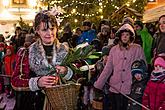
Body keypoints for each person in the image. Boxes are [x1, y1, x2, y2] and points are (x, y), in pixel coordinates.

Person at [11, 9, 73, 110]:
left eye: (52, 28)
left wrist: (66, 71)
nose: (49, 33)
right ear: (37, 31)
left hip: (61, 102)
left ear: (57, 29)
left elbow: (78, 75)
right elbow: (15, 80)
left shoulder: (66, 50)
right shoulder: (27, 52)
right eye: (44, 30)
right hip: (35, 103)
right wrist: (37, 82)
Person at [94, 23, 146, 110]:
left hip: (129, 88)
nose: (125, 37)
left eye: (127, 35)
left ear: (131, 36)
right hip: (115, 88)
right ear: (119, 36)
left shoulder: (137, 49)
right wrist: (99, 84)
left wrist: (139, 74)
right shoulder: (114, 50)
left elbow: (142, 66)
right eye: (123, 35)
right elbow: (108, 69)